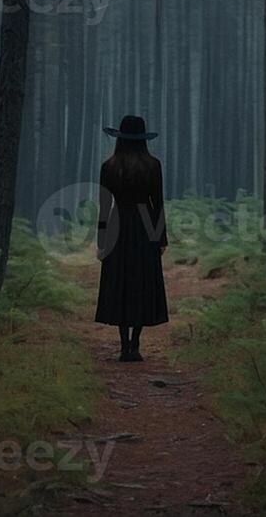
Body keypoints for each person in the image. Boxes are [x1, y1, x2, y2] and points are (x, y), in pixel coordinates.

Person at [94, 115, 170, 362]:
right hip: (145, 224)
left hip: (118, 223)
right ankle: (135, 345)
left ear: (120, 139)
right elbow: (157, 204)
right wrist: (160, 238)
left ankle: (124, 345)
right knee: (141, 282)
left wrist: (102, 239)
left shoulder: (109, 166)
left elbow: (104, 206)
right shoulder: (153, 165)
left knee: (120, 282)